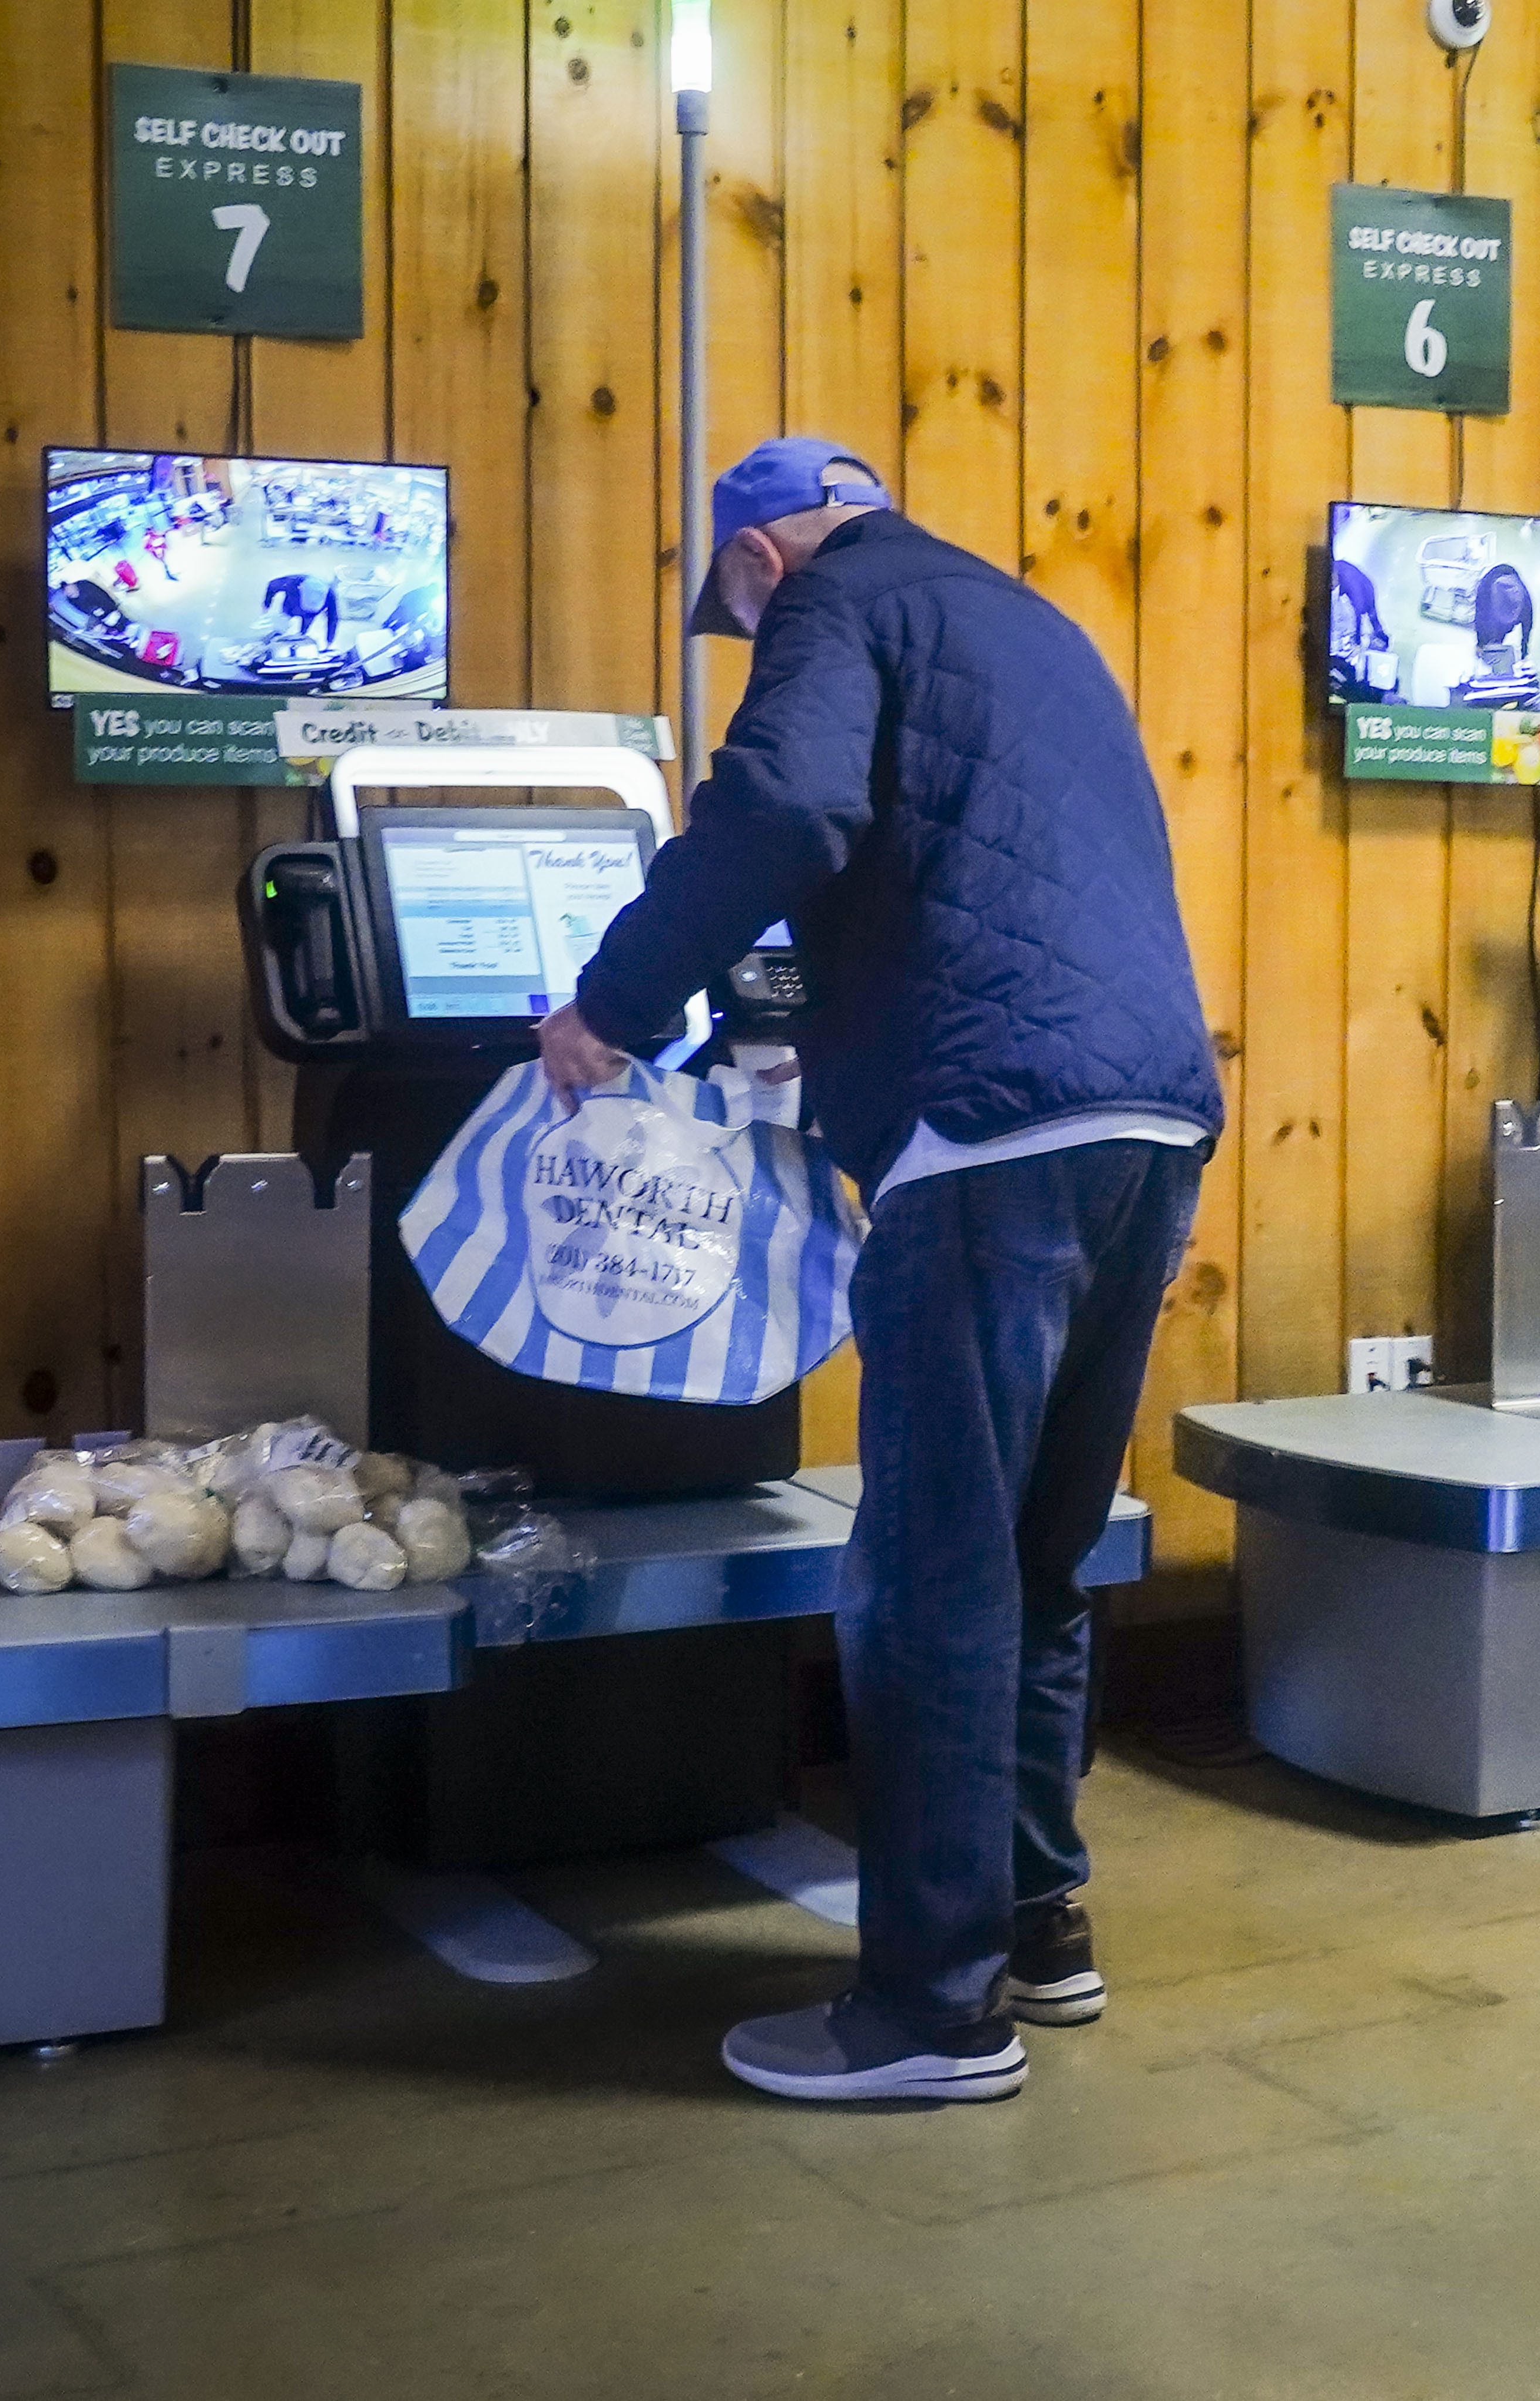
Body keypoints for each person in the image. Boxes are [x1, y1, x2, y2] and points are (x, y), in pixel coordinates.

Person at [541, 436, 1224, 2107]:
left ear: (761, 558)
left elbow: (785, 806)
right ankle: (1037, 1926)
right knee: (1042, 1553)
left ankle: (930, 2011)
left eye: (738, 600)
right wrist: (803, 1038)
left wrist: (609, 1007)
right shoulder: (1019, 618)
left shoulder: (831, 604)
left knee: (930, 1574)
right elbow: (967, 873)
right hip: (1148, 1116)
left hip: (989, 1141)